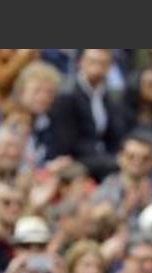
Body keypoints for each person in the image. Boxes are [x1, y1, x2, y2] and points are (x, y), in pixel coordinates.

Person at [46, 49, 127, 181]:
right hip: (75, 159)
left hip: (103, 157)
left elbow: (115, 133)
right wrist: (108, 159)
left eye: (103, 63)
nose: (97, 68)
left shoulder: (109, 96)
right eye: (93, 62)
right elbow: (67, 142)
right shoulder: (67, 94)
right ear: (81, 62)